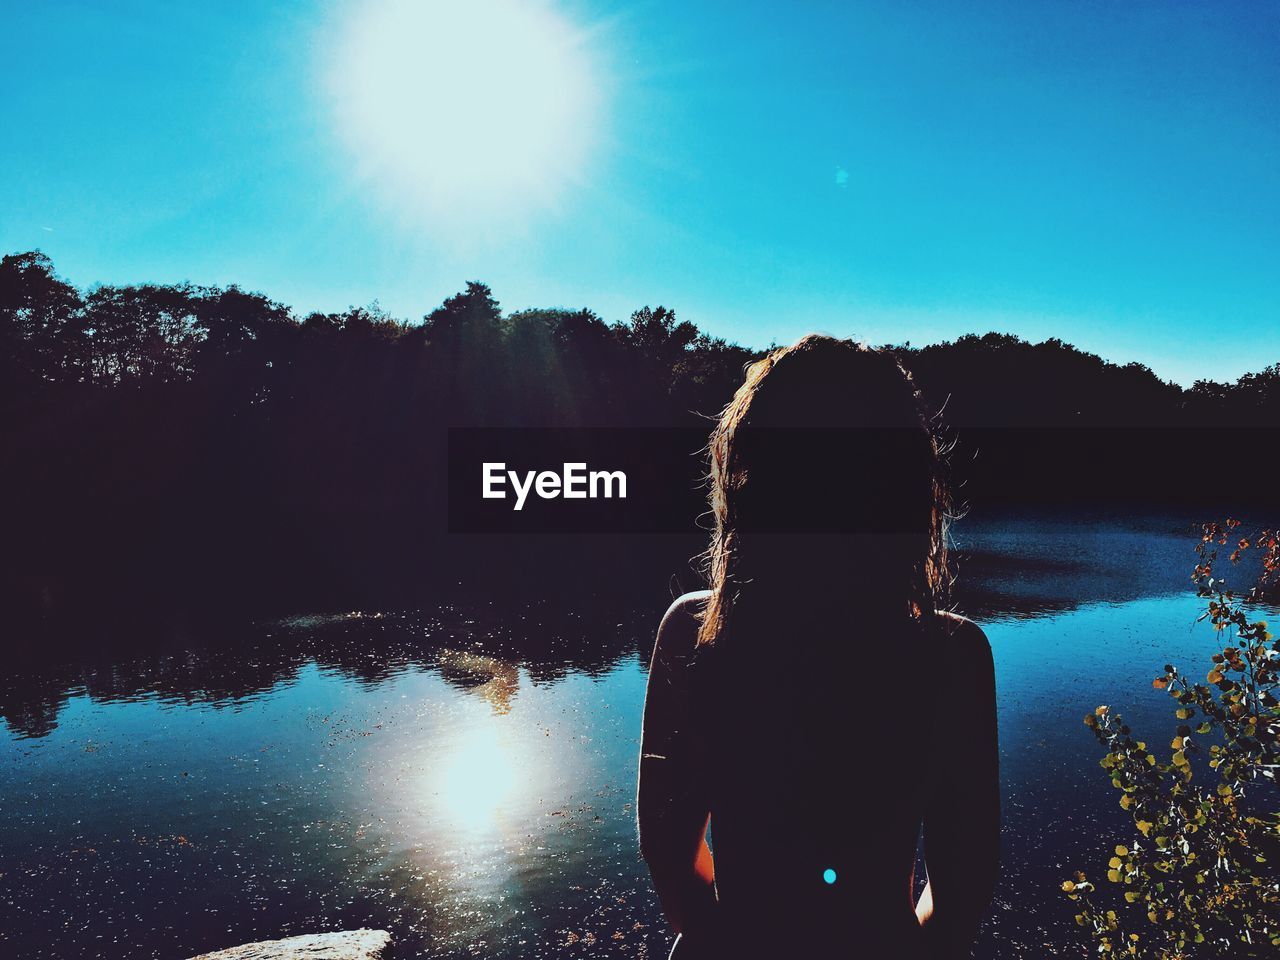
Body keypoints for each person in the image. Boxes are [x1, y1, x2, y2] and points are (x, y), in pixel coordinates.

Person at [637, 335, 999, 959]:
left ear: (751, 479)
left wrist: (731, 933)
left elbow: (673, 873)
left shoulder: (695, 634)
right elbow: (959, 900)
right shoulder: (952, 656)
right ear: (906, 486)